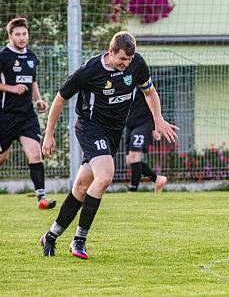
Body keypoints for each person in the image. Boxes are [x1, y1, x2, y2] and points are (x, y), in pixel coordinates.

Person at [39, 31, 178, 259]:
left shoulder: (137, 64)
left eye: (130, 60)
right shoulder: (89, 70)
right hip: (90, 127)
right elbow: (60, 98)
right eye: (122, 59)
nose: (126, 64)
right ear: (110, 52)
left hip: (113, 133)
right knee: (104, 177)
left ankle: (51, 236)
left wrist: (158, 119)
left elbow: (150, 92)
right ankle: (79, 240)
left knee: (83, 186)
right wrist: (49, 134)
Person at [0, 17, 54, 209]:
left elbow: (33, 82)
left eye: (24, 34)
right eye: (18, 34)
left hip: (26, 117)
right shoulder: (3, 56)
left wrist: (38, 99)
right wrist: (11, 88)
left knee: (35, 154)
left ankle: (41, 199)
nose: (22, 38)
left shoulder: (31, 57)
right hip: (5, 116)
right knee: (2, 158)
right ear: (10, 36)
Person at [125, 85, 168, 193]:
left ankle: (132, 190)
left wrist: (155, 127)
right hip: (130, 125)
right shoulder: (125, 85)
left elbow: (153, 105)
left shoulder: (143, 87)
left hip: (143, 124)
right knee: (130, 160)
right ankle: (158, 179)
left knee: (135, 156)